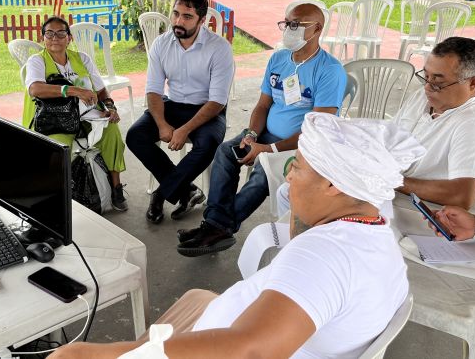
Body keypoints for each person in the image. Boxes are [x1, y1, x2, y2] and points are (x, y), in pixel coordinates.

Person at [50, 113, 423, 358]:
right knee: (198, 296)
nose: (289, 176)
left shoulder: (325, 257)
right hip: (236, 324)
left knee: (72, 355)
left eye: (299, 167)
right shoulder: (372, 222)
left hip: (228, 345)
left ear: (332, 184)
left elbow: (250, 351)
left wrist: (127, 353)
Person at [176, 3, 345, 257]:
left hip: (303, 145)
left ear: (317, 28)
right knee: (225, 153)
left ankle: (219, 227)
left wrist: (269, 149)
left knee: (262, 172)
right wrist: (252, 135)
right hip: (263, 135)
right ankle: (214, 225)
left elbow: (318, 129)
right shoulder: (278, 59)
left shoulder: (329, 70)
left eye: (296, 25)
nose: (288, 29)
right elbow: (263, 104)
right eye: (287, 23)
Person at [275, 36, 475, 219]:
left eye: (438, 81)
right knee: (290, 190)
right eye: (425, 76)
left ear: (473, 83)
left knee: (304, 198)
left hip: (412, 205)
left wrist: (389, 179)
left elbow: (464, 195)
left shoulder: (473, 122)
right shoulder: (423, 97)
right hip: (386, 188)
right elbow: (388, 137)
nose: (427, 87)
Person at [125, 0, 234, 224]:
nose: (178, 21)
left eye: (187, 16)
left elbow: (217, 101)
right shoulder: (161, 44)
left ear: (202, 20)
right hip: (172, 105)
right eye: (175, 14)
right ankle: (186, 190)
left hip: (207, 110)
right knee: (135, 136)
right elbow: (153, 90)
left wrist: (184, 130)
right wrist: (163, 124)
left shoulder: (219, 48)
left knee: (207, 144)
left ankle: (161, 194)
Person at [22, 16, 128, 210]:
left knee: (112, 132)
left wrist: (110, 108)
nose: (55, 38)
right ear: (42, 37)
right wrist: (72, 90)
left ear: (69, 38)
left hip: (86, 115)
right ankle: (57, 197)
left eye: (61, 33)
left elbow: (101, 90)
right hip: (53, 120)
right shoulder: (37, 61)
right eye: (49, 33)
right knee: (60, 149)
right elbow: (35, 89)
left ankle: (116, 187)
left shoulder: (82, 59)